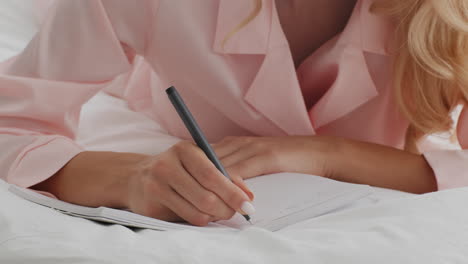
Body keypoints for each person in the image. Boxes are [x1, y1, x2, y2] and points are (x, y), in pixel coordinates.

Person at [0, 0, 466, 226]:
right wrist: (130, 177)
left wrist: (326, 155)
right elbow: (11, 121)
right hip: (145, 85)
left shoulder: (449, 14)